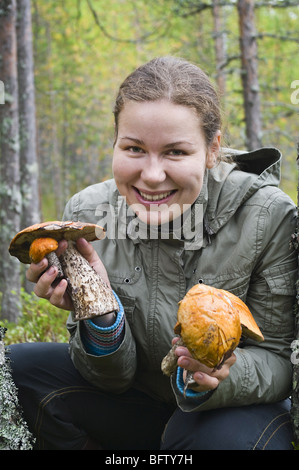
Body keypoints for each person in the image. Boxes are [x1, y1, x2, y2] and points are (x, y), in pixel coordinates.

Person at [8, 56, 297, 450]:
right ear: (115, 141)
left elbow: (279, 360)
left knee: (206, 436)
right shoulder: (85, 215)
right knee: (14, 371)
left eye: (176, 152)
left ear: (212, 149)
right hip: (136, 401)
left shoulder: (267, 217)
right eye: (134, 148)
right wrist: (101, 318)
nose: (152, 175)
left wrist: (222, 373)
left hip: (231, 411)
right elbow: (110, 379)